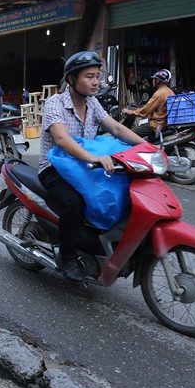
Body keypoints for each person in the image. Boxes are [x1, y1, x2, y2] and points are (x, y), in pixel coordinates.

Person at [39, 51, 145, 285]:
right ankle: (66, 257)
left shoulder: (92, 103)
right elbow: (62, 140)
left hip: (84, 167)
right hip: (54, 168)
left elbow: (116, 129)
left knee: (122, 191)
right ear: (71, 80)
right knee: (73, 202)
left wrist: (147, 146)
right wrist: (94, 158)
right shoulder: (55, 103)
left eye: (97, 76)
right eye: (89, 76)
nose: (96, 82)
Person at [121, 69, 175, 140]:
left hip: (155, 124)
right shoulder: (170, 91)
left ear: (158, 81)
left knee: (127, 134)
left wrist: (129, 112)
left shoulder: (159, 94)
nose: (152, 81)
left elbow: (145, 111)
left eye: (154, 79)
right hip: (164, 123)